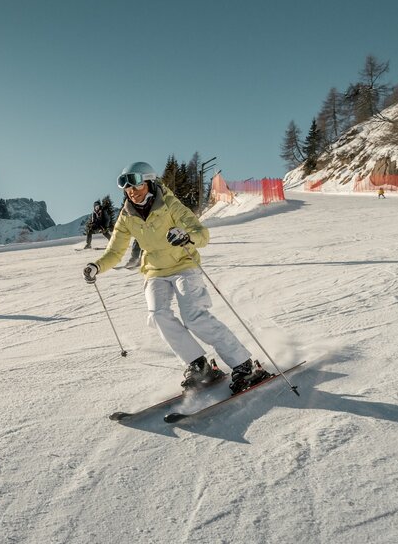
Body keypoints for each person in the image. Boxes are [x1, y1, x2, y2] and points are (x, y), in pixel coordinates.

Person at [81, 161, 268, 393]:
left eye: (137, 186)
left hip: (183, 265)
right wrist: (97, 266)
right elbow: (115, 251)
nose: (132, 192)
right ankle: (198, 365)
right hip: (155, 271)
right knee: (158, 315)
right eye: (127, 188)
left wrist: (186, 236)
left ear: (149, 183)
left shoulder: (169, 203)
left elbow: (202, 233)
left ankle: (244, 365)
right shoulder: (127, 215)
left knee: (194, 316)